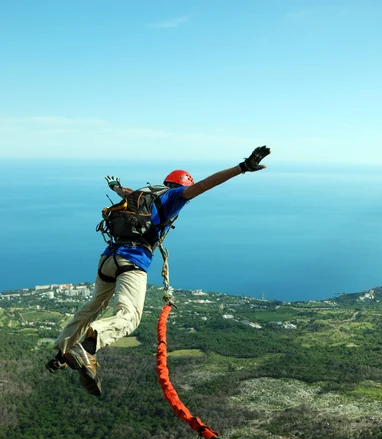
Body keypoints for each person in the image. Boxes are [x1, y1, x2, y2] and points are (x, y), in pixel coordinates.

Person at [45, 146, 271, 395]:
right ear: (180, 185)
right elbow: (205, 185)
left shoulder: (143, 193)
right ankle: (88, 346)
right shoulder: (174, 196)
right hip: (133, 259)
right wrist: (241, 168)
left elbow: (126, 191)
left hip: (108, 258)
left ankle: (61, 352)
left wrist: (116, 187)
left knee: (92, 307)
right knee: (129, 317)